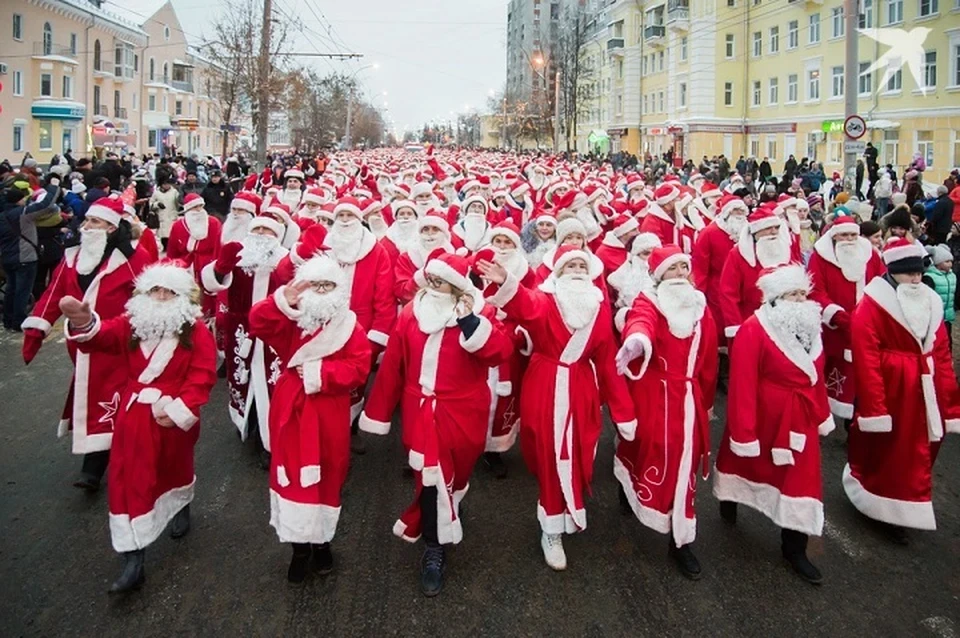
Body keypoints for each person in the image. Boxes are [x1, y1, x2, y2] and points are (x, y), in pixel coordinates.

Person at [359, 251, 512, 596]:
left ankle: (449, 507)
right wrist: (380, 413)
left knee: (455, 473)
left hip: (465, 411)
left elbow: (499, 352)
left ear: (457, 286)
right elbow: (393, 366)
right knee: (429, 478)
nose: (432, 287)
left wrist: (469, 322)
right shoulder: (411, 314)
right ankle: (433, 545)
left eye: (440, 282)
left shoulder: (481, 312)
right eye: (430, 280)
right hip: (421, 410)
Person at [58, 262, 216, 593]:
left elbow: (202, 374)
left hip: (171, 418)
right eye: (154, 290)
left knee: (174, 469)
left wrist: (178, 410)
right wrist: (83, 321)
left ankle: (181, 503)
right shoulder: (132, 323)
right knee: (128, 481)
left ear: (182, 296)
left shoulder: (195, 330)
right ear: (143, 294)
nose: (160, 297)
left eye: (168, 291)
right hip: (133, 419)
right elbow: (100, 338)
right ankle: (134, 559)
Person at [477, 245, 637, 572]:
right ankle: (551, 529)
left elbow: (607, 361)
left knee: (579, 451)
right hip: (546, 384)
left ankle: (567, 506)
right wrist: (507, 281)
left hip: (580, 387)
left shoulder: (598, 306)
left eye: (582, 263)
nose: (577, 268)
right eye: (570, 264)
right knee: (550, 455)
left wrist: (624, 411)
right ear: (559, 272)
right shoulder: (546, 298)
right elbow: (525, 303)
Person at [248, 254, 372, 583]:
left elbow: (360, 368)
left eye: (326, 285)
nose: (319, 291)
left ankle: (321, 543)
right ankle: (298, 548)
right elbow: (257, 324)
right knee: (290, 472)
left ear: (339, 289)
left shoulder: (351, 326)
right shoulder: (292, 318)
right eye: (314, 285)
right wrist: (279, 302)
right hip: (291, 407)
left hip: (328, 410)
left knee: (328, 472)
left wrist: (320, 372)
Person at [713, 264, 834, 584]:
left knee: (802, 481)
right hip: (765, 412)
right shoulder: (754, 328)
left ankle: (795, 549)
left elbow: (815, 376)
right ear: (776, 298)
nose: (800, 300)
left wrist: (822, 414)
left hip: (800, 417)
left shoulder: (812, 328)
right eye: (792, 294)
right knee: (743, 460)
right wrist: (743, 431)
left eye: (802, 294)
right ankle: (730, 497)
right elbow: (742, 383)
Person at [22, 197, 152, 490]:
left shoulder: (135, 258)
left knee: (114, 399)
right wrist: (36, 332)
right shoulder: (72, 259)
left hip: (120, 344)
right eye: (87, 220)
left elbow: (150, 297)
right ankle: (102, 458)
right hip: (82, 347)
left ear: (110, 226)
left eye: (94, 221)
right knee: (93, 393)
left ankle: (98, 465)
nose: (86, 226)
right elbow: (53, 296)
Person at [844, 238, 960, 545]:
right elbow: (866, 359)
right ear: (893, 272)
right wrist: (875, 407)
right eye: (909, 274)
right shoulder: (871, 306)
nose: (916, 279)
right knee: (890, 448)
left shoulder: (931, 301)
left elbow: (942, 354)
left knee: (920, 449)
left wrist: (950, 402)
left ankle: (905, 503)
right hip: (895, 389)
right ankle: (882, 503)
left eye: (919, 274)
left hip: (925, 390)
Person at [614, 246, 718, 580]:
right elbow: (640, 322)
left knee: (683, 467)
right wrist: (638, 341)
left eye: (684, 268)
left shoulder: (700, 309)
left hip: (687, 397)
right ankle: (627, 485)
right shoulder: (650, 302)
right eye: (672, 270)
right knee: (644, 448)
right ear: (659, 275)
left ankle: (681, 540)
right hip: (653, 393)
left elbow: (709, 358)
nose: (680, 275)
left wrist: (705, 400)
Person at [200, 211, 290, 466]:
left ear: (277, 236)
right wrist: (220, 269)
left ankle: (270, 441)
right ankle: (249, 426)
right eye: (257, 230)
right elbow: (210, 285)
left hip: (275, 334)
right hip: (240, 329)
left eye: (268, 231)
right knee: (242, 378)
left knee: (272, 386)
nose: (261, 236)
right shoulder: (238, 257)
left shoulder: (285, 261)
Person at [323, 197, 396, 452]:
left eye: (350, 217)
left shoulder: (376, 250)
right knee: (324, 376)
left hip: (360, 326)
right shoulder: (324, 246)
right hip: (323, 324)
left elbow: (384, 298)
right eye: (340, 216)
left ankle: (350, 426)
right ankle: (322, 428)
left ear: (359, 220)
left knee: (354, 380)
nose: (344, 222)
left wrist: (376, 338)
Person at [806, 216, 886, 421]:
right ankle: (821, 415)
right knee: (831, 373)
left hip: (868, 326)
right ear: (834, 236)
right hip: (833, 328)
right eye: (844, 235)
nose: (849, 239)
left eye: (853, 234)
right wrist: (838, 316)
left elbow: (881, 283)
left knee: (864, 374)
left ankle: (857, 421)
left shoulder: (871, 255)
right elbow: (815, 290)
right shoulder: (820, 257)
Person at [718, 207, 793, 341]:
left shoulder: (785, 251)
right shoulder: (737, 255)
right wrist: (736, 327)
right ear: (756, 231)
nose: (773, 232)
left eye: (776, 227)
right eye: (768, 228)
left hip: (785, 321)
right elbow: (728, 293)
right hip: (751, 322)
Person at [1, 181, 60, 331]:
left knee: (11, 289)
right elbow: (45, 205)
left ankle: (8, 320)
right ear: (19, 200)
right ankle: (18, 321)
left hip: (7, 258)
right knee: (23, 291)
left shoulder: (2, 215)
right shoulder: (23, 214)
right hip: (25, 258)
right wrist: (53, 185)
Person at [692, 194, 749, 346]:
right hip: (716, 291)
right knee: (720, 330)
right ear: (726, 212)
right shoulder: (709, 233)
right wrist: (699, 296)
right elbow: (700, 269)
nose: (739, 214)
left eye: (742, 211)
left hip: (744, 290)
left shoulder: (747, 233)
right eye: (735, 210)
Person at [166, 193, 223, 321]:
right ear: (187, 210)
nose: (198, 211)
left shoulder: (213, 223)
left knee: (209, 299)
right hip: (186, 267)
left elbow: (219, 247)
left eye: (200, 206)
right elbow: (172, 251)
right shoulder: (178, 226)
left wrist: (216, 268)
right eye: (194, 208)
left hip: (207, 266)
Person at [924, 244, 956, 347]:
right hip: (934, 316)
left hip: (948, 314)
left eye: (951, 261)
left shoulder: (952, 276)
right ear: (938, 263)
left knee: (947, 339)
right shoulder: (929, 277)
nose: (950, 264)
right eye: (947, 261)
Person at [150, 180, 179, 250]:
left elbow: (178, 202)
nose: (166, 186)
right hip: (162, 215)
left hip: (172, 215)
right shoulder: (156, 193)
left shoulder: (174, 192)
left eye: (168, 184)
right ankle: (165, 247)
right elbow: (151, 203)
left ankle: (172, 247)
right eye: (164, 184)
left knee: (172, 233)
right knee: (163, 234)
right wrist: (157, 204)